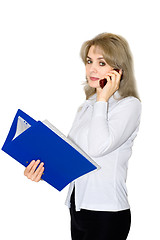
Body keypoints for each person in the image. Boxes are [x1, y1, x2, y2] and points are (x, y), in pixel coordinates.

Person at [24, 33, 142, 240]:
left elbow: (98, 147)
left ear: (118, 71)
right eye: (89, 61)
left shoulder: (129, 105)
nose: (92, 69)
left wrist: (102, 98)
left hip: (107, 212)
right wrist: (42, 170)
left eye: (102, 63)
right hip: (78, 208)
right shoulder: (87, 107)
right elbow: (74, 158)